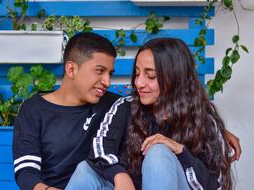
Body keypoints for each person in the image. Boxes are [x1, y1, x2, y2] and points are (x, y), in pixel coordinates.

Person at [66, 38, 236, 190]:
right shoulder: (126, 107)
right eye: (138, 73)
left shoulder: (204, 121)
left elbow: (217, 186)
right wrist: (119, 175)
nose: (139, 83)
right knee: (86, 169)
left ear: (175, 78)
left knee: (158, 153)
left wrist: (180, 151)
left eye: (151, 76)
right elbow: (100, 149)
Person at [12, 32, 120, 190]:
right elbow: (26, 172)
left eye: (110, 74)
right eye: (99, 71)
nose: (107, 82)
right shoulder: (33, 110)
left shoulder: (113, 105)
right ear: (71, 69)